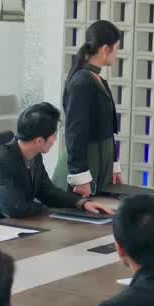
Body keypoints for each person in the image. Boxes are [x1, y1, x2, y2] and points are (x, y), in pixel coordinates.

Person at [0, 102, 116, 223]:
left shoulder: (34, 155)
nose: (55, 140)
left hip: (22, 225)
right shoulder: (0, 161)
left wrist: (82, 203)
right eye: (54, 135)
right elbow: (15, 209)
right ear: (39, 141)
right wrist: (48, 210)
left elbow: (47, 191)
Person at [53, 18, 123, 197]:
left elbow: (108, 129)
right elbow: (75, 132)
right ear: (106, 49)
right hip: (86, 165)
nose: (117, 54)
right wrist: (80, 177)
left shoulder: (98, 80)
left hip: (100, 163)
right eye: (116, 49)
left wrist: (114, 165)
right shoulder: (82, 82)